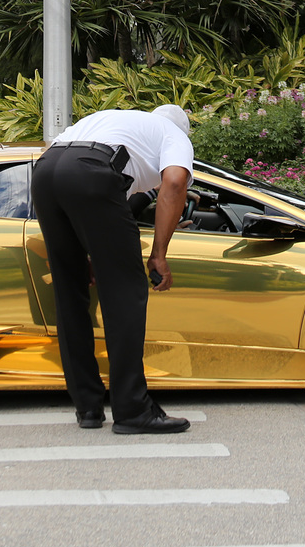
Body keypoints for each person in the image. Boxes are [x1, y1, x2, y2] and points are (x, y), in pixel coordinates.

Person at [31, 104, 194, 435]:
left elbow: (101, 205)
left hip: (47, 171)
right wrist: (159, 254)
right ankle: (133, 409)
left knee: (70, 293)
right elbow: (175, 183)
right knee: (125, 294)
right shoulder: (173, 134)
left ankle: (88, 406)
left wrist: (93, 251)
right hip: (91, 172)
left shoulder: (120, 124)